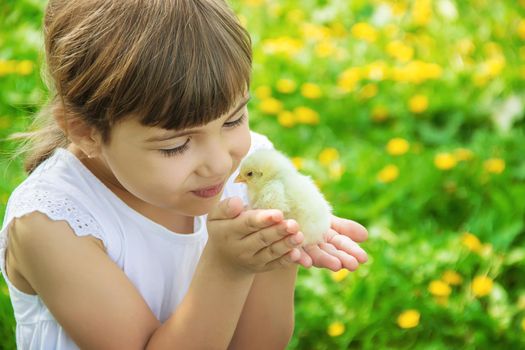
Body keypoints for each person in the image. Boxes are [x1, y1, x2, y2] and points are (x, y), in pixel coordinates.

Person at [0, 0, 369, 348]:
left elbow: (258, 344)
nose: (220, 164)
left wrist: (275, 247)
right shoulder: (52, 225)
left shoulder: (253, 169)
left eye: (234, 119)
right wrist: (227, 269)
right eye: (175, 146)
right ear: (85, 132)